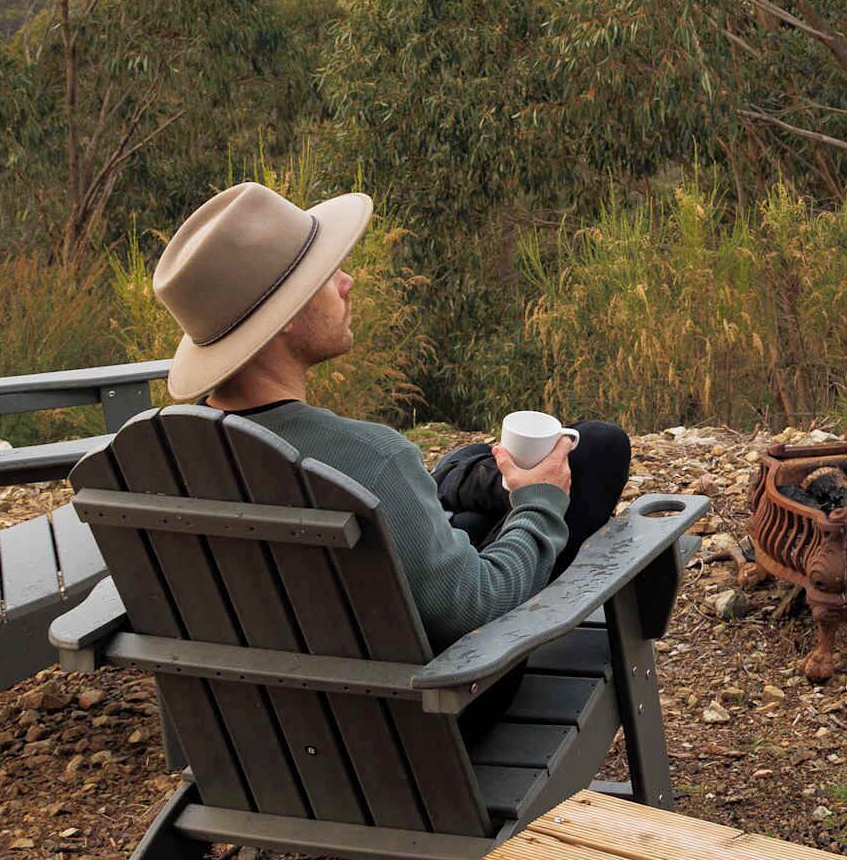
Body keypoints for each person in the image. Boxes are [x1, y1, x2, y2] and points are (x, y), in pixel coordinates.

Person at [154, 180, 630, 649]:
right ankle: (488, 486)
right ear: (287, 315)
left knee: (465, 504)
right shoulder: (371, 459)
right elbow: (476, 608)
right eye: (326, 274)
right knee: (599, 448)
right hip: (433, 705)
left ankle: (461, 483)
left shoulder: (163, 461)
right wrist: (541, 504)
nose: (347, 281)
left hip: (247, 707)